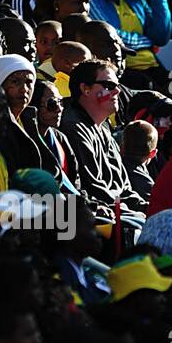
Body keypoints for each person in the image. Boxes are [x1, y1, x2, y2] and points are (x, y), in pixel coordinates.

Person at [61, 58, 146, 228]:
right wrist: (131, 211)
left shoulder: (104, 127)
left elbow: (124, 187)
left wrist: (144, 207)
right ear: (85, 89)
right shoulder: (72, 127)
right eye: (109, 85)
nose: (117, 91)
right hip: (99, 215)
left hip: (121, 210)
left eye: (117, 86)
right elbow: (92, 187)